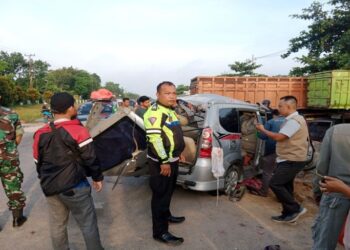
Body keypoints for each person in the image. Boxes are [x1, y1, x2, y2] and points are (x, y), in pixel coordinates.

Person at [33, 92, 104, 250]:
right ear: (70, 108)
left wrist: (46, 179)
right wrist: (97, 178)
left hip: (50, 186)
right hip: (75, 185)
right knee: (87, 224)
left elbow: (37, 161)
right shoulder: (78, 131)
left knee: (58, 225)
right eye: (75, 105)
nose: (77, 107)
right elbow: (90, 158)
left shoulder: (40, 133)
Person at [143, 81, 186, 245]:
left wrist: (178, 152)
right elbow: (155, 140)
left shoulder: (169, 110)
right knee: (160, 196)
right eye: (167, 93)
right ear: (158, 95)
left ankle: (167, 215)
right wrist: (164, 161)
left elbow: (173, 134)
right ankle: (160, 232)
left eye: (174, 93)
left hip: (172, 159)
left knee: (168, 192)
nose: (172, 96)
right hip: (161, 162)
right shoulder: (154, 113)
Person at [256, 96, 308, 223]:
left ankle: (295, 209)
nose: (278, 108)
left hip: (292, 159)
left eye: (280, 106)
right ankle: (288, 214)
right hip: (288, 158)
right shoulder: (292, 119)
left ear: (289, 107)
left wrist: (263, 129)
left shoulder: (294, 121)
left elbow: (279, 137)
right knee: (286, 186)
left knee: (275, 183)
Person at [311, 124, 350, 250]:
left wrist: (317, 191)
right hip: (337, 192)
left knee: (324, 242)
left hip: (335, 193)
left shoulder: (336, 131)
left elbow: (322, 167)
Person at [0, 95, 27, 229]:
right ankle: (17, 219)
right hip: (8, 157)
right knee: (13, 187)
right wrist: (11, 148)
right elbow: (19, 135)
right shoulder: (11, 114)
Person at [256, 109, 285, 196]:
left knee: (267, 172)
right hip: (286, 152)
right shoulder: (290, 122)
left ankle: (264, 191)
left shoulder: (271, 122)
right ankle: (282, 196)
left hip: (272, 151)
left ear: (273, 115)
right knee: (282, 174)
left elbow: (263, 136)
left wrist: (258, 132)